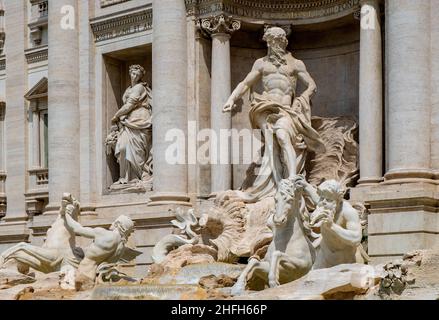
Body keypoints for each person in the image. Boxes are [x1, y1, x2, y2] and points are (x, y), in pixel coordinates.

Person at [223, 27, 325, 202]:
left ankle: (292, 179)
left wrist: (302, 99)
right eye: (271, 41)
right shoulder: (261, 63)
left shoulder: (295, 63)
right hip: (264, 107)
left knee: (283, 137)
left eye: (278, 41)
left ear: (284, 42)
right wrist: (232, 99)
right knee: (271, 144)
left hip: (286, 109)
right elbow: (245, 83)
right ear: (267, 42)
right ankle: (271, 187)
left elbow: (311, 85)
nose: (274, 44)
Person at [110, 64, 152, 187]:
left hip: (140, 119)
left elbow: (129, 105)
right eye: (133, 74)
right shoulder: (128, 89)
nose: (134, 76)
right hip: (128, 122)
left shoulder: (139, 87)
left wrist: (116, 115)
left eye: (137, 75)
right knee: (123, 147)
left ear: (140, 77)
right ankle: (124, 177)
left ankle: (137, 176)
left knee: (138, 150)